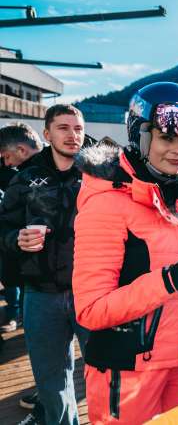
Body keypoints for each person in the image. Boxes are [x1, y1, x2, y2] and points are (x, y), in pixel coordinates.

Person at [73, 82, 178, 423]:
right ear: (141, 137)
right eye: (167, 138)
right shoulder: (107, 204)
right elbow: (91, 310)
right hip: (126, 372)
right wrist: (173, 279)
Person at [0, 105, 88, 425]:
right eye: (63, 128)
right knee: (52, 383)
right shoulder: (25, 178)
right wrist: (16, 239)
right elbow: (3, 227)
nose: (72, 134)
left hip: (91, 289)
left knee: (105, 371)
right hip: (40, 293)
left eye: (77, 128)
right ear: (47, 134)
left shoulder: (101, 174)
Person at [0, 123, 43, 334]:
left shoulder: (23, 179)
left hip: (44, 277)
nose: (7, 163)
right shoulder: (18, 177)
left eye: (7, 157)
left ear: (21, 151)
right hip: (33, 271)